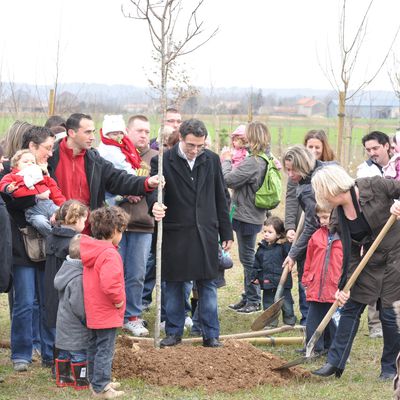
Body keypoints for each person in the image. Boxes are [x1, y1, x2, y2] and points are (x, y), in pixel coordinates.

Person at [311, 164, 400, 380]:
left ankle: (390, 368)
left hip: (397, 254)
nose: (319, 198)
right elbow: (350, 254)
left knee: (388, 313)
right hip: (371, 259)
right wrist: (344, 286)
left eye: (320, 192)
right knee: (350, 307)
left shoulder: (374, 186)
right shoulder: (337, 216)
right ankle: (335, 362)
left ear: (331, 189)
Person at [150, 118, 233, 348]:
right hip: (176, 234)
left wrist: (226, 231)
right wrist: (155, 206)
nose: (195, 150)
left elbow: (220, 196)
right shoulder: (163, 161)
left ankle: (211, 334)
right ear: (180, 139)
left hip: (206, 233)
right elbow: (154, 194)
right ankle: (174, 332)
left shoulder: (212, 160)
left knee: (207, 284)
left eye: (200, 146)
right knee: (175, 285)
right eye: (190, 146)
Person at [0, 125, 57, 371]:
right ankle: (21, 354)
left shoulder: (46, 174)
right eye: (47, 148)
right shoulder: (9, 177)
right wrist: (36, 194)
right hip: (21, 247)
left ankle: (49, 352)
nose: (49, 155)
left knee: (47, 301)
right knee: (24, 302)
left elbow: (56, 197)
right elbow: (15, 202)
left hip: (45, 245)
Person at [47, 113, 159, 224]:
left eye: (93, 132)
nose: (92, 137)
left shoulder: (94, 160)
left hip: (87, 230)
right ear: (71, 132)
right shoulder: (50, 157)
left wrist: (146, 182)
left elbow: (118, 179)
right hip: (58, 227)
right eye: (87, 132)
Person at [221, 121, 273, 314]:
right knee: (248, 257)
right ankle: (249, 295)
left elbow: (228, 179)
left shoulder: (254, 161)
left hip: (247, 216)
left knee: (248, 258)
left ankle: (253, 299)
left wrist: (226, 160)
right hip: (253, 214)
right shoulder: (265, 158)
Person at [285, 129, 335, 325]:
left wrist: (293, 253)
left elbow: (310, 226)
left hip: (327, 239)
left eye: (293, 170)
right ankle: (314, 327)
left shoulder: (309, 188)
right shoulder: (322, 168)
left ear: (303, 165)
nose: (290, 174)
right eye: (287, 169)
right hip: (328, 237)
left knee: (314, 283)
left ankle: (314, 328)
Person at [82, 207, 128, 398]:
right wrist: (118, 302)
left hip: (93, 309)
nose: (122, 235)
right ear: (115, 230)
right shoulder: (110, 254)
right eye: (122, 231)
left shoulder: (92, 250)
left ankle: (96, 380)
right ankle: (101, 387)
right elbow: (111, 284)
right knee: (105, 350)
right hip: (107, 311)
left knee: (94, 346)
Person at [118, 115, 156, 337]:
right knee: (116, 273)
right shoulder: (116, 155)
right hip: (116, 226)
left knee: (137, 273)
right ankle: (114, 314)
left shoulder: (155, 158)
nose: (143, 135)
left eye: (147, 132)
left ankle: (132, 315)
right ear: (127, 131)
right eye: (139, 130)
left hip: (143, 224)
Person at [356, 131, 391, 338]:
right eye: (368, 150)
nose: (372, 153)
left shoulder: (396, 167)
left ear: (386, 146)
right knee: (375, 276)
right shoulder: (365, 172)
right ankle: (375, 324)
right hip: (377, 230)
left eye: (375, 148)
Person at [301, 204, 343, 354]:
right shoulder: (316, 236)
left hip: (334, 287)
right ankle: (313, 347)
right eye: (319, 217)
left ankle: (333, 349)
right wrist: (306, 278)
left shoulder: (344, 238)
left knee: (333, 321)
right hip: (316, 285)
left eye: (325, 217)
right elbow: (309, 259)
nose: (322, 221)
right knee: (313, 319)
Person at [44, 200, 89, 331]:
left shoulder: (50, 237)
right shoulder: (76, 242)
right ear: (76, 219)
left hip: (50, 288)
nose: (85, 224)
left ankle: (49, 351)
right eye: (84, 220)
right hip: (69, 291)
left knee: (52, 322)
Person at [0, 149, 66, 236]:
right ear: (16, 165)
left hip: (49, 205)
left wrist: (62, 206)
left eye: (33, 162)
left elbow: (55, 192)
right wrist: (8, 188)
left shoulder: (41, 175)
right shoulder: (13, 176)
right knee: (41, 223)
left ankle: (66, 235)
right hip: (33, 210)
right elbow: (3, 184)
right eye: (25, 161)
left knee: (66, 216)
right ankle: (53, 237)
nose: (30, 163)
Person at [54, 234, 89, 390]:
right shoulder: (78, 278)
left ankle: (63, 378)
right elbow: (78, 305)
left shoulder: (66, 269)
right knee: (79, 354)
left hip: (63, 323)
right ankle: (81, 381)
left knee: (64, 353)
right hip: (75, 326)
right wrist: (87, 319)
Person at [251, 216, 296, 327]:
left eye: (270, 232)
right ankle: (271, 323)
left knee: (287, 304)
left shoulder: (284, 247)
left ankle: (289, 321)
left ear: (279, 234)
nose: (266, 234)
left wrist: (291, 243)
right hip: (267, 282)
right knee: (268, 304)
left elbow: (292, 255)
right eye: (264, 231)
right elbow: (256, 264)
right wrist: (255, 276)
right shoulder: (261, 248)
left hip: (282, 282)